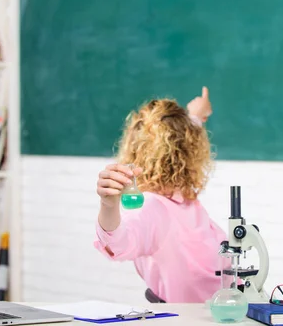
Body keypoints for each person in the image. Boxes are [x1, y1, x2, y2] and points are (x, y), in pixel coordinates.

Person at [93, 87, 226, 303]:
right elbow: (118, 244)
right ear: (189, 151)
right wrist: (108, 205)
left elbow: (183, 134)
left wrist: (196, 116)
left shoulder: (184, 199)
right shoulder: (152, 208)